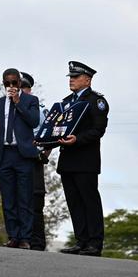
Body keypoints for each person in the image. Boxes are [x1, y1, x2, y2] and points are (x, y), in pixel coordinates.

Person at [56, 61, 109, 257]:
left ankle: (95, 243)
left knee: (89, 201)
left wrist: (77, 139)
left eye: (75, 77)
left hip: (86, 160)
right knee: (74, 202)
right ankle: (82, 240)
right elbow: (58, 128)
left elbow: (98, 130)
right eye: (70, 77)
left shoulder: (96, 101)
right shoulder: (66, 101)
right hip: (67, 160)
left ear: (87, 79)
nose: (71, 80)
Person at [0, 68, 40, 249]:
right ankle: (13, 236)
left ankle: (26, 238)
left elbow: (34, 121)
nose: (11, 86)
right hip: (4, 155)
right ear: (3, 84)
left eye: (14, 82)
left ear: (19, 83)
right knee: (8, 198)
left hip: (23, 155)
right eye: (7, 83)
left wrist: (18, 102)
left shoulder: (31, 100)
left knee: (25, 198)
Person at [20, 72, 51, 251]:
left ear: (29, 90)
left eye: (24, 88)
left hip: (34, 160)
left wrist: (44, 153)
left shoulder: (41, 110)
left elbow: (51, 134)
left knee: (35, 202)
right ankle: (18, 238)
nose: (21, 92)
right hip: (15, 160)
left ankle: (37, 243)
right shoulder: (8, 108)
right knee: (17, 200)